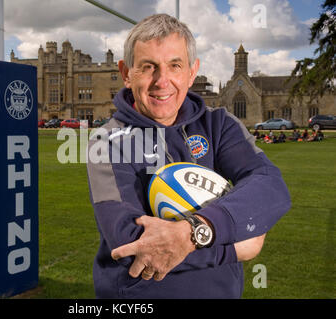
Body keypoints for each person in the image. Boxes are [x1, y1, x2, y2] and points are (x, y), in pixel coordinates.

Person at [86, 14, 290, 299]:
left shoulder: (219, 124)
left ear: (192, 72)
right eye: (148, 67)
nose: (162, 81)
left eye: (175, 66)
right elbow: (129, 246)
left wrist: (194, 231)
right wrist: (232, 247)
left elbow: (271, 187)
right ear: (126, 73)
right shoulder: (107, 141)